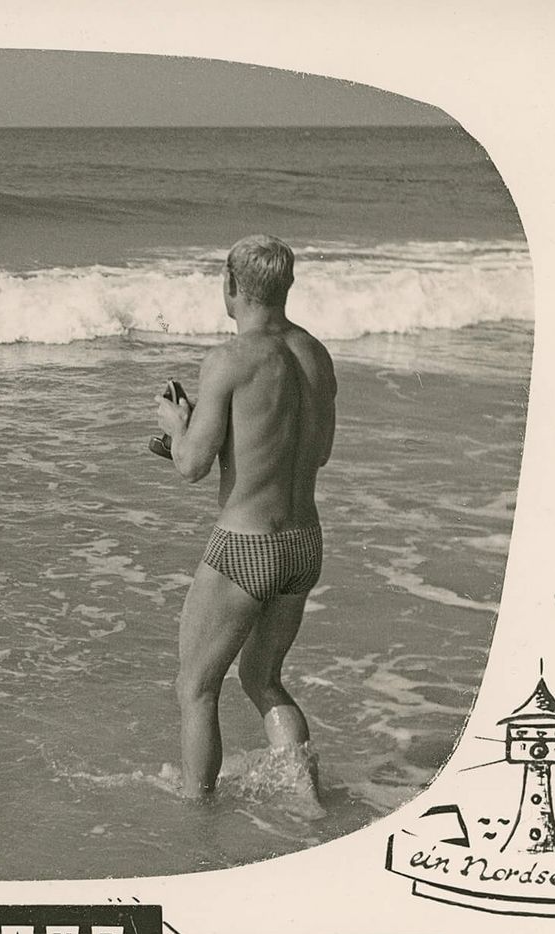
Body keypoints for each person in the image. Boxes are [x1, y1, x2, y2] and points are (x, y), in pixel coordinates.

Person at [155, 234, 336, 808]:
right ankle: (306, 799)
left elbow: (191, 466)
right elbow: (319, 452)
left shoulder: (228, 360)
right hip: (304, 542)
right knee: (263, 679)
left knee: (196, 688)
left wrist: (176, 422)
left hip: (245, 546)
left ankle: (197, 810)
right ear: (286, 286)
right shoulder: (316, 355)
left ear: (230, 287)